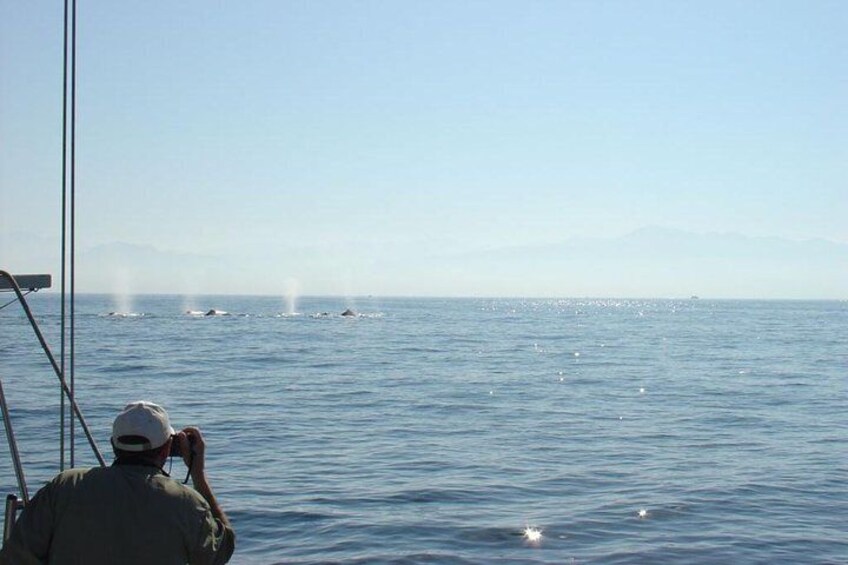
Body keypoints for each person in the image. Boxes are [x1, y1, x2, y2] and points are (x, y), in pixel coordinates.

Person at [0, 401, 235, 565]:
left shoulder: (65, 486)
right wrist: (198, 475)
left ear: (113, 445)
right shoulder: (186, 503)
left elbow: (16, 556)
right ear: (166, 449)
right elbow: (220, 553)